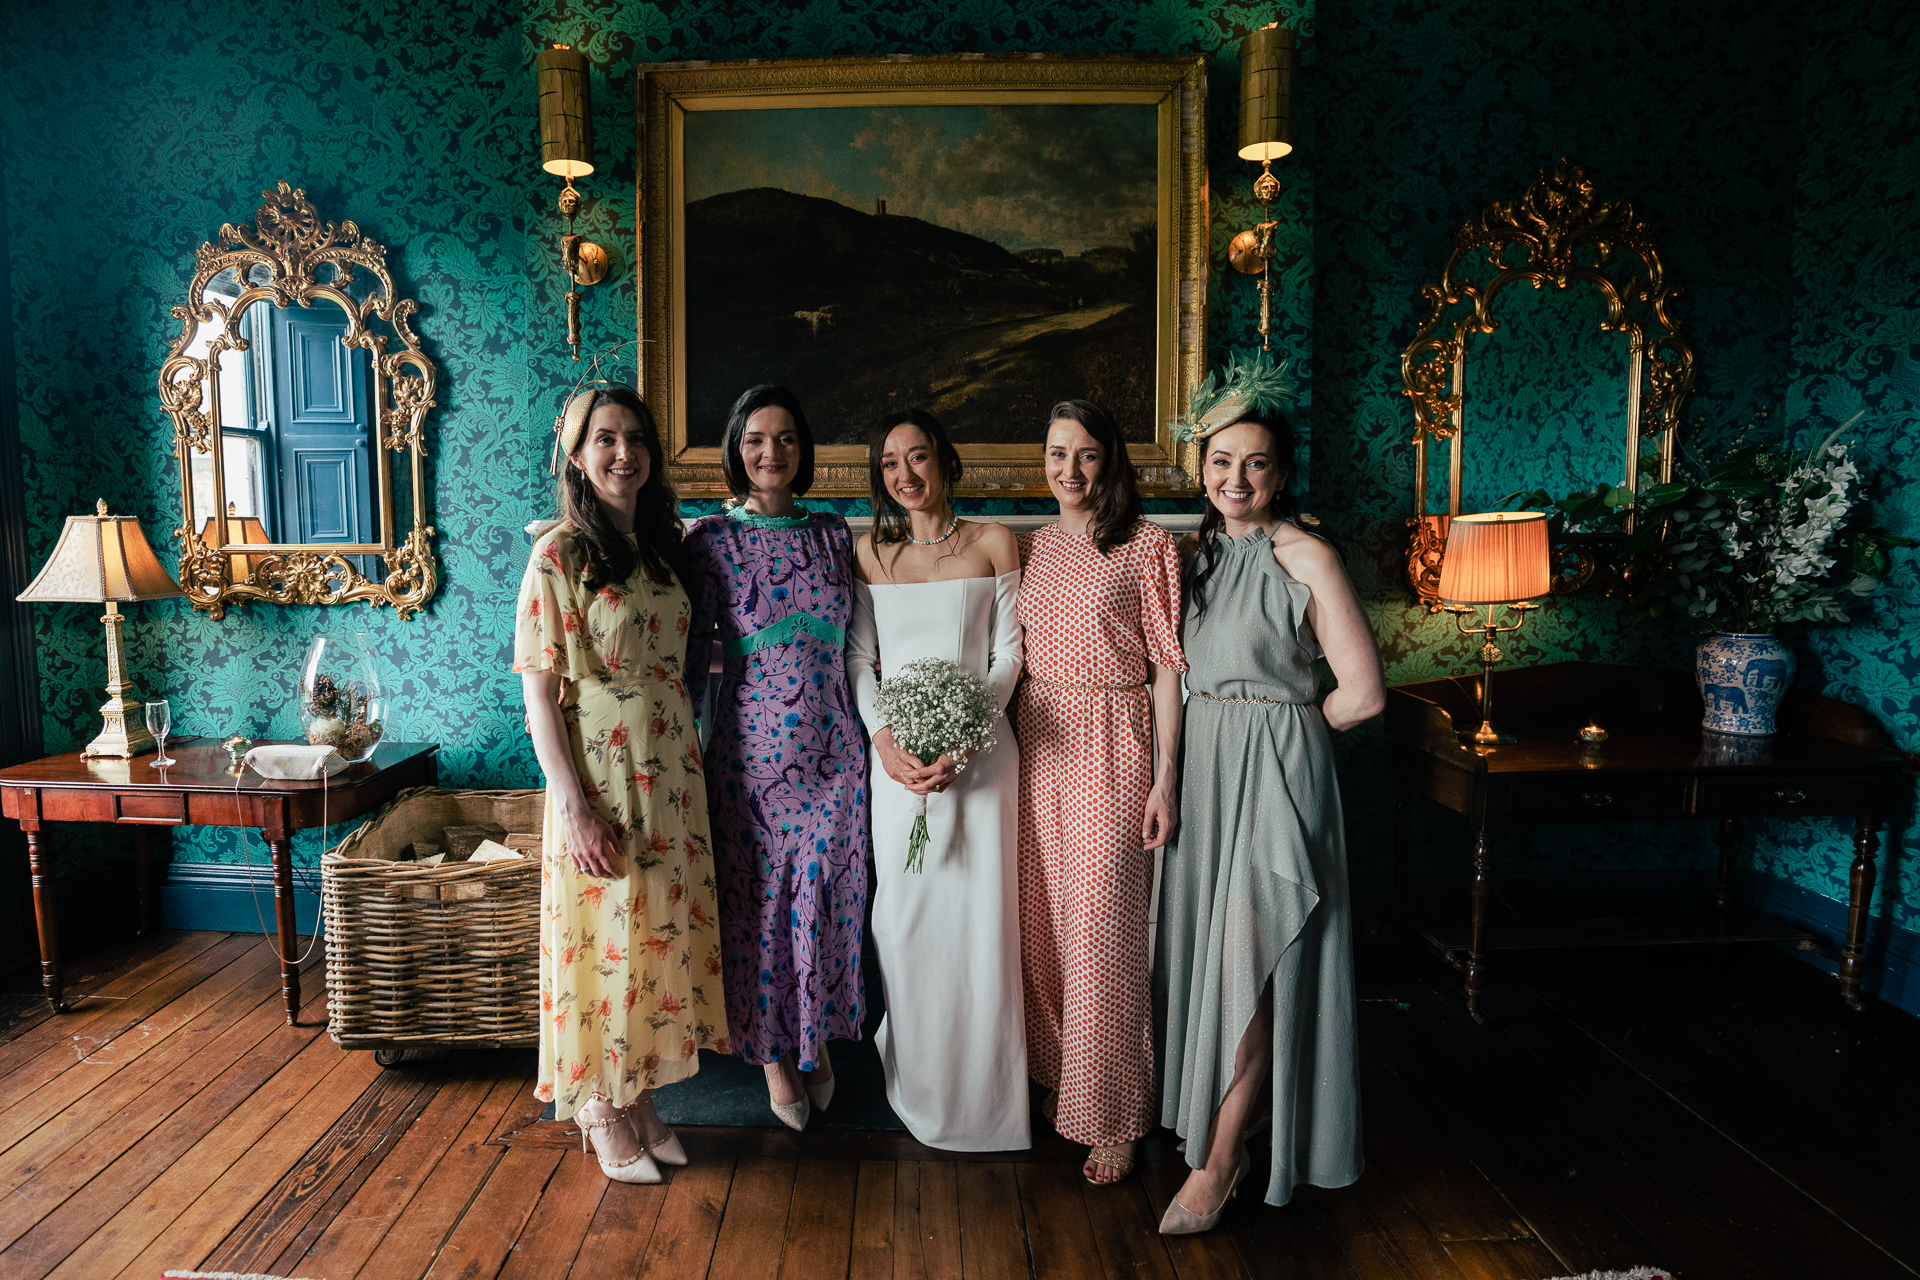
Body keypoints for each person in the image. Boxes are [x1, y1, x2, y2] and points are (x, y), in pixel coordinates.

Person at [1153, 409, 1382, 1233]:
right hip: (1207, 770)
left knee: (1252, 967)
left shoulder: (1307, 556)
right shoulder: (1192, 556)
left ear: (1281, 474)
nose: (1236, 480)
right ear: (1203, 469)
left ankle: (1219, 1164)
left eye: (1256, 465)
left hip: (1278, 774)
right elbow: (1170, 675)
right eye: (1221, 463)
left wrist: (1287, 726)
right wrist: (1169, 773)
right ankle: (1234, 1125)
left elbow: (1363, 694)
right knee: (1212, 967)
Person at [513, 385, 722, 1184]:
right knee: (601, 938)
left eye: (635, 437)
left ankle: (635, 1094)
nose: (622, 452)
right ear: (576, 453)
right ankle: (594, 1102)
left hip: (670, 769)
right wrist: (573, 808)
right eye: (604, 438)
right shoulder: (558, 552)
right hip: (598, 769)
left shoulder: (665, 547)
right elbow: (539, 693)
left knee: (650, 936)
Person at [684, 385, 870, 1131]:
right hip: (750, 760)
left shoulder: (833, 533)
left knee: (827, 898)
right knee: (760, 905)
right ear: (736, 448)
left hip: (836, 750)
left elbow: (864, 641)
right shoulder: (710, 542)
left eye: (786, 439)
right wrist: (687, 755)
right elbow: (693, 663)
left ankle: (814, 1040)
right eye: (757, 439)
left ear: (804, 450)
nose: (772, 453)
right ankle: (772, 1061)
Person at [846, 410, 1029, 1151]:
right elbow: (861, 662)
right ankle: (919, 1078)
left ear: (946, 462)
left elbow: (1009, 655)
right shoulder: (869, 554)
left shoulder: (993, 542)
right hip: (895, 770)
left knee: (981, 925)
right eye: (890, 464)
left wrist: (967, 738)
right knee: (906, 921)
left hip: (982, 764)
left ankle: (987, 1101)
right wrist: (887, 747)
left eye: (918, 458)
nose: (905, 475)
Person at [1016, 398, 1187, 1185]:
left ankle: (1114, 1115)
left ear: (1111, 459)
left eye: (1086, 454)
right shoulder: (1037, 545)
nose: (1070, 470)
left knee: (1104, 935)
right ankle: (1064, 1082)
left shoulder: (1148, 546)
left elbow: (1167, 670)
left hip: (1114, 742)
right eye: (1057, 454)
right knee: (1045, 927)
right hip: (1038, 740)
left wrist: (1166, 778)